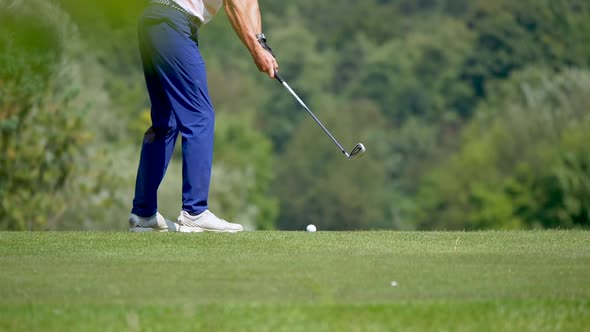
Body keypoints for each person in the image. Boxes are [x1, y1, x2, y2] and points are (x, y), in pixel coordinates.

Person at [128, 0, 278, 232]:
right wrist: (255, 51)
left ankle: (143, 213)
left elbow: (248, 3)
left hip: (155, 20)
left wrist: (261, 43)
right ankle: (195, 211)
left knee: (165, 123)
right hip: (172, 22)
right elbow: (233, 3)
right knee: (199, 116)